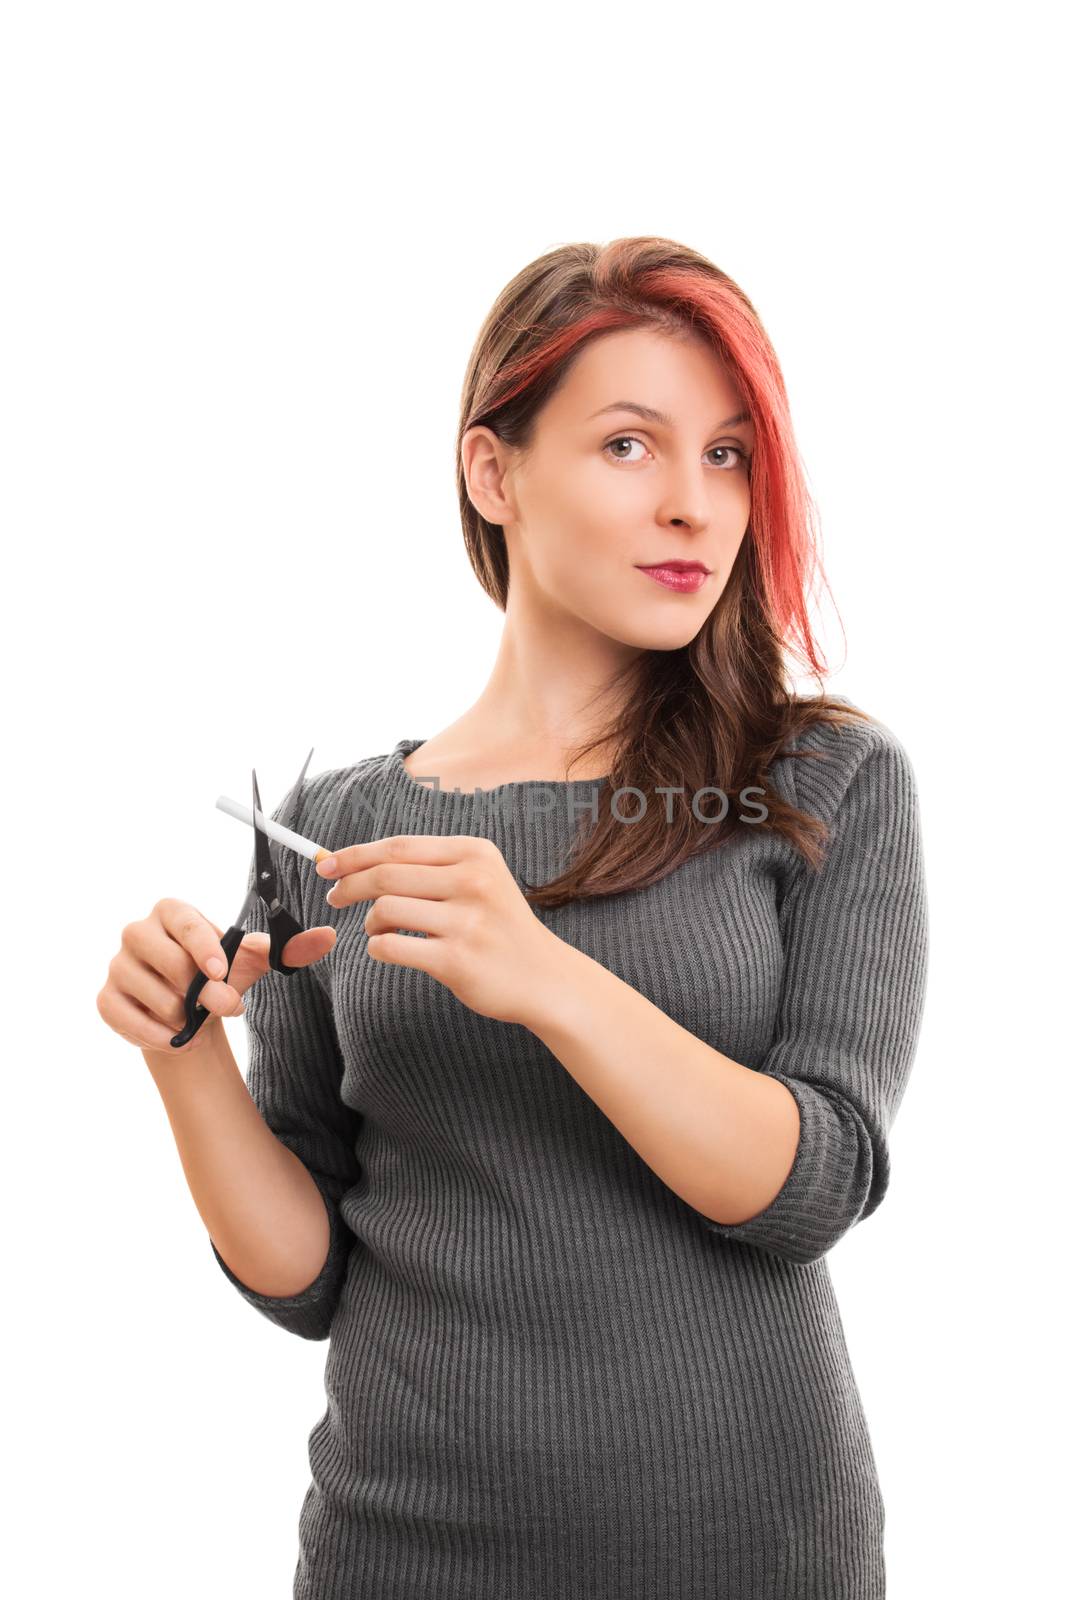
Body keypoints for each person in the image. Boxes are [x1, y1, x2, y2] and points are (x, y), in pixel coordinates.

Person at [98, 235, 930, 1599]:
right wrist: (182, 1055)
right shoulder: (342, 821)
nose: (693, 506)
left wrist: (545, 976)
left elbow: (812, 1188)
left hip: (750, 1549)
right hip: (398, 1552)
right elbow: (306, 1274)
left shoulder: (821, 783)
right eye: (629, 447)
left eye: (728, 456)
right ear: (494, 472)